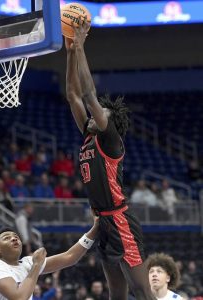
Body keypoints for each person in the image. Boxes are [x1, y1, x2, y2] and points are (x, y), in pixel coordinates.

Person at [65, 19, 155, 300]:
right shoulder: (88, 136)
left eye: (100, 112)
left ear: (109, 120)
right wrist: (70, 51)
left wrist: (81, 47)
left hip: (120, 219)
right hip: (102, 221)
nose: (93, 115)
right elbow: (72, 95)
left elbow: (89, 94)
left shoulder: (111, 140)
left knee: (142, 291)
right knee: (116, 293)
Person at [0, 213, 98, 300]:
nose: (14, 238)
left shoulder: (27, 262)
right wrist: (36, 265)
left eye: (15, 236)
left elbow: (70, 257)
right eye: (6, 238)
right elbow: (18, 298)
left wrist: (93, 231)